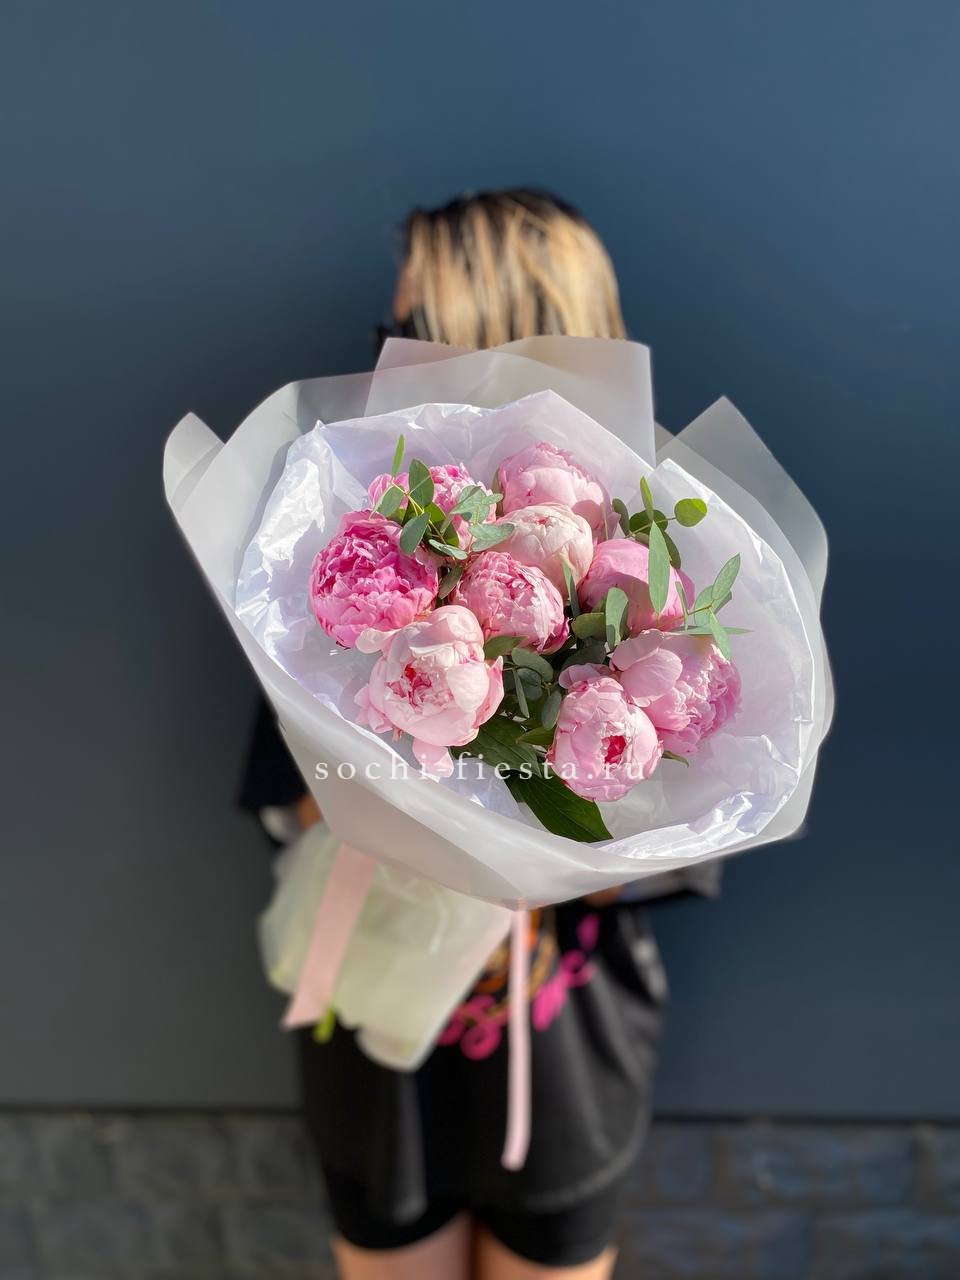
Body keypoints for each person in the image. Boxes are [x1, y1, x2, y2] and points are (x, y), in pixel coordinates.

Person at [240, 189, 716, 1280]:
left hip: (560, 1053)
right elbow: (291, 798)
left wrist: (542, 769)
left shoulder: (649, 550)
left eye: (406, 322)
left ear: (490, 325)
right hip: (382, 1055)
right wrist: (397, 726)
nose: (384, 348)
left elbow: (677, 832)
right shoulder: (345, 544)